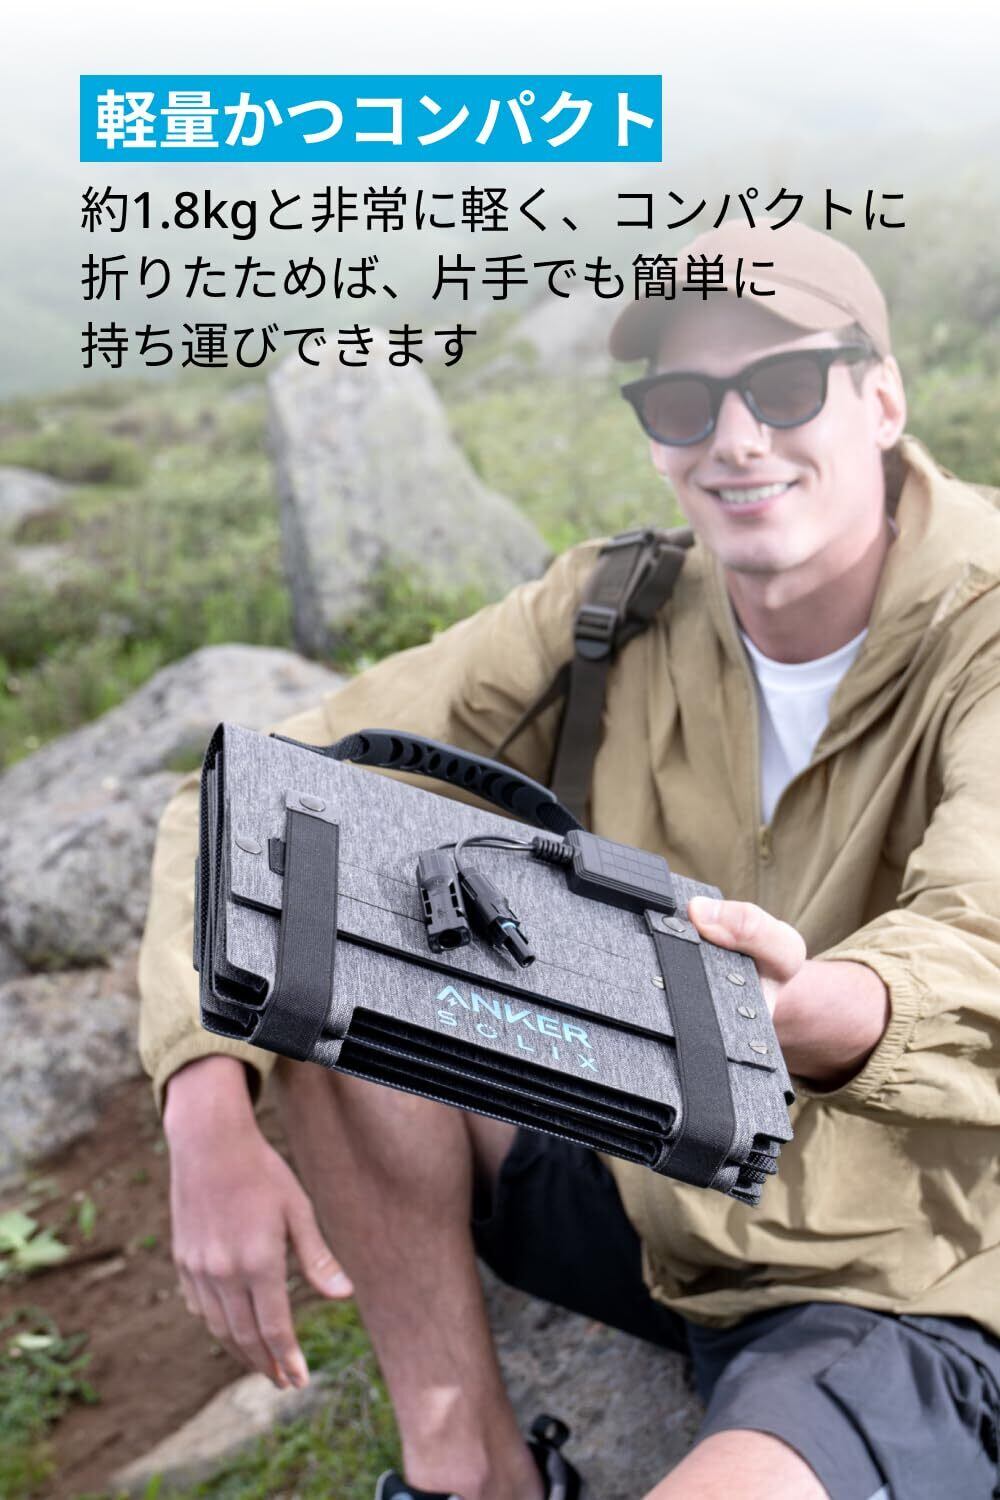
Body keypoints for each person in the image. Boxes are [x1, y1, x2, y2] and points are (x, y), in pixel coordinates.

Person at [139, 220, 1000, 1500]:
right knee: (323, 928)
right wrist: (203, 1094)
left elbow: (979, 940)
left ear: (880, 398)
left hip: (904, 1275)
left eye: (782, 386)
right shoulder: (614, 606)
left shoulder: (981, 628)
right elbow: (251, 788)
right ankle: (469, 1472)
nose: (735, 439)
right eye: (683, 402)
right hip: (642, 1177)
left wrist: (814, 1010)